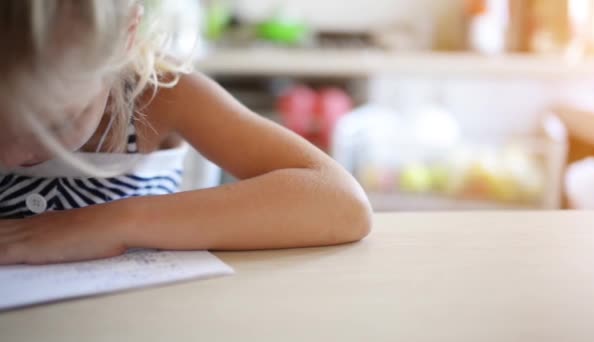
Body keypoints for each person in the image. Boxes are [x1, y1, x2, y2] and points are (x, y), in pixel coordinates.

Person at [0, 0, 372, 265]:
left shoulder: (162, 95)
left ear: (124, 39)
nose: (10, 156)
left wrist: (112, 223)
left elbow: (341, 202)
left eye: (54, 125)